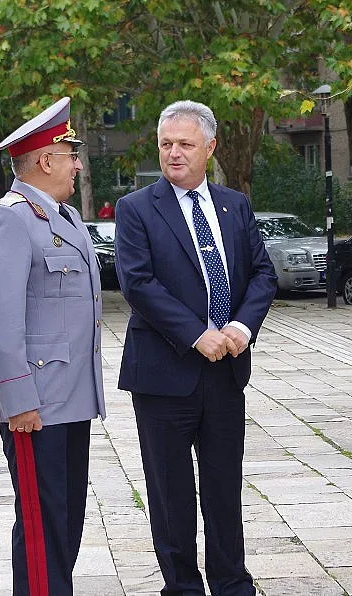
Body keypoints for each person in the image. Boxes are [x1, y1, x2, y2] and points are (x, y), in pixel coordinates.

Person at [114, 100, 277, 596]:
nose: (174, 153)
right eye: (166, 144)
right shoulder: (137, 208)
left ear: (210, 146)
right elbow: (138, 284)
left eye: (185, 144)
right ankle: (182, 586)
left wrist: (241, 329)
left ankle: (232, 583)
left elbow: (263, 274)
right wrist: (195, 333)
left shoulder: (235, 205)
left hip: (226, 370)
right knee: (171, 495)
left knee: (225, 489)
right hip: (165, 373)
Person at [0, 96, 106, 596]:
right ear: (46, 160)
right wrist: (18, 399)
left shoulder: (65, 218)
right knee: (40, 523)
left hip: (71, 398)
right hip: (36, 404)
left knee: (66, 520)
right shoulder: (9, 218)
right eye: (71, 153)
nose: (77, 164)